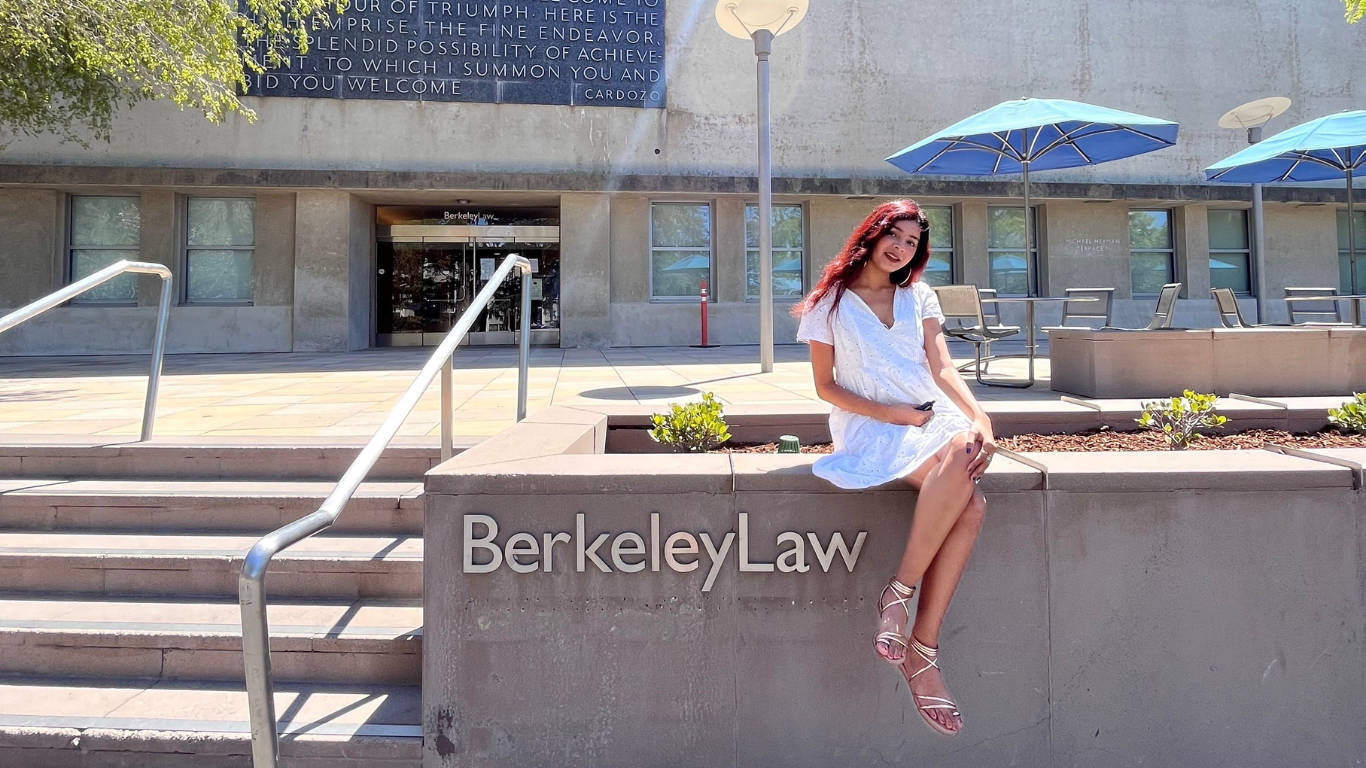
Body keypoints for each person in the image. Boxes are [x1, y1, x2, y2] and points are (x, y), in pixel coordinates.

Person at [793, 199, 995, 737]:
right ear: (873, 233)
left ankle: (901, 605)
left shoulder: (918, 296)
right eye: (895, 235)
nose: (901, 248)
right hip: (874, 424)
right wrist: (894, 414)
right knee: (970, 507)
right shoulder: (828, 304)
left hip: (933, 418)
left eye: (911, 243)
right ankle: (921, 648)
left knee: (965, 461)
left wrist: (980, 415)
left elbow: (941, 364)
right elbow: (825, 386)